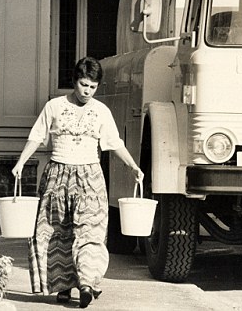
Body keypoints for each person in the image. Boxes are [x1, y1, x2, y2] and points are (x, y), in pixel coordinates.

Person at [11, 56, 143, 308]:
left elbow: (114, 143)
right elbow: (37, 137)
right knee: (56, 233)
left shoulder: (102, 111)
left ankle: (86, 283)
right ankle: (62, 288)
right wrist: (20, 163)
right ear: (74, 81)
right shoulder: (54, 106)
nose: (87, 91)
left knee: (90, 232)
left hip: (90, 177)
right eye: (84, 85)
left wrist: (133, 166)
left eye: (93, 87)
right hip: (57, 175)